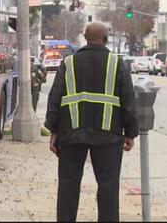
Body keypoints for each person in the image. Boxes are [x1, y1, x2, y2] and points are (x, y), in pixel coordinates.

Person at [45, 22, 139, 222]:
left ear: (85, 38)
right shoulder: (117, 64)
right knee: (108, 186)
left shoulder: (68, 63)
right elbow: (129, 101)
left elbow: (55, 98)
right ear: (105, 40)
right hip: (108, 136)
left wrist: (53, 131)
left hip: (71, 134)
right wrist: (130, 133)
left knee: (68, 186)